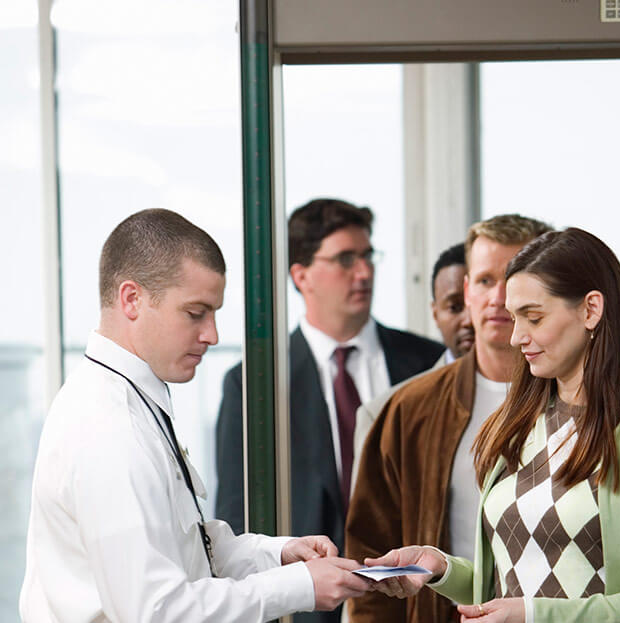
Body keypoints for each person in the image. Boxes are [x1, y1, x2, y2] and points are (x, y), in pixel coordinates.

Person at [19, 209, 371, 622]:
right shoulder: (108, 427)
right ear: (132, 299)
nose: (213, 335)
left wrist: (278, 554)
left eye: (214, 313)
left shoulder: (130, 401)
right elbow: (159, 612)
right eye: (195, 313)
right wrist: (299, 587)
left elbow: (180, 546)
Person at [367, 228, 620, 622]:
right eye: (515, 319)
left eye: (533, 317)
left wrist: (534, 615)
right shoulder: (517, 425)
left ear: (591, 310)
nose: (517, 337)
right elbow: (516, 580)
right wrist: (441, 569)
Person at [215, 199, 443, 622]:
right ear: (301, 276)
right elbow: (235, 516)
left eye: (367, 255)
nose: (364, 271)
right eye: (345, 259)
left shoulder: (428, 363)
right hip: (305, 612)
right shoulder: (254, 384)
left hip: (417, 604)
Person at [345, 214, 552, 623]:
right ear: (467, 291)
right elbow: (370, 558)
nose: (497, 298)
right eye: (484, 280)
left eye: (513, 279)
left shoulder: (590, 407)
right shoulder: (409, 410)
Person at [350, 241, 474, 482]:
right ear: (435, 313)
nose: (469, 319)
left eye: (475, 304)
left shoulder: (548, 393)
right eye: (455, 306)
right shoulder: (384, 415)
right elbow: (371, 518)